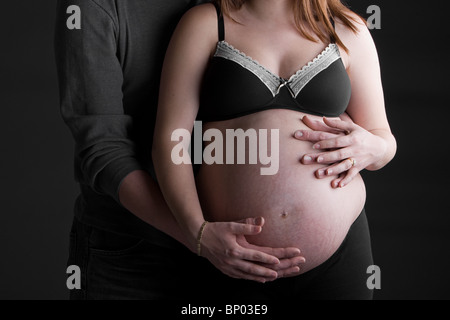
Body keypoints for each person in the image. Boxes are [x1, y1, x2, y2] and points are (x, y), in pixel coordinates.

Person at [54, 0, 307, 300]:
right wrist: (197, 234)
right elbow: (103, 149)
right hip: (133, 251)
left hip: (235, 250)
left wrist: (369, 136)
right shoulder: (92, 6)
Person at [152, 0, 397, 299]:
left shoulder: (348, 29)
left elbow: (383, 139)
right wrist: (198, 233)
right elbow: (170, 140)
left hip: (339, 257)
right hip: (230, 252)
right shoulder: (205, 23)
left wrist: (375, 146)